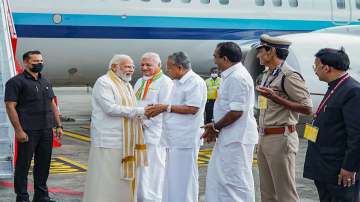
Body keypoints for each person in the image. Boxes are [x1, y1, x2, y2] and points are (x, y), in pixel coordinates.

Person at [83, 54, 149, 202]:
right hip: (108, 140)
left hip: (126, 140)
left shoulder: (126, 84)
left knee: (121, 181)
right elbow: (110, 109)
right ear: (114, 67)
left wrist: (143, 112)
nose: (131, 70)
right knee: (106, 180)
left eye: (132, 67)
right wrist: (141, 111)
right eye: (127, 67)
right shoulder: (104, 82)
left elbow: (131, 107)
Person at [255, 34, 313, 202]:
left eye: (260, 51)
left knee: (285, 193)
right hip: (265, 137)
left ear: (271, 51)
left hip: (281, 137)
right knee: (267, 193)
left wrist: (275, 98)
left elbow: (307, 108)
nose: (258, 55)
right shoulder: (268, 74)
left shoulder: (289, 76)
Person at [146, 51, 207, 202]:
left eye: (169, 67)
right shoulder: (175, 82)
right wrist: (160, 107)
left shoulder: (195, 82)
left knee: (185, 178)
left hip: (186, 139)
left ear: (180, 67)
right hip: (174, 139)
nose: (167, 70)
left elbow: (193, 108)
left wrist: (165, 107)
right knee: (172, 177)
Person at [201, 42, 258, 202]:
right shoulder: (231, 76)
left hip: (237, 137)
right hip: (231, 136)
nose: (214, 60)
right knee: (222, 178)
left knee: (235, 180)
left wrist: (215, 126)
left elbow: (236, 112)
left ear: (225, 58)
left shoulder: (237, 78)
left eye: (215, 56)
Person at [5, 50, 63, 202]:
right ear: (26, 63)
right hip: (28, 131)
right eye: (35, 61)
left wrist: (58, 125)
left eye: (41, 61)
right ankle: (22, 197)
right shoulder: (15, 82)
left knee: (43, 165)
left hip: (46, 130)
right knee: (23, 166)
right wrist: (18, 130)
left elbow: (52, 104)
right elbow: (10, 106)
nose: (39, 64)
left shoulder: (45, 81)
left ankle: (41, 196)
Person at [303, 48, 360, 202]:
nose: (315, 71)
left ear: (326, 67)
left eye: (316, 66)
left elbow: (356, 134)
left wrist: (349, 167)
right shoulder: (335, 87)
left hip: (339, 170)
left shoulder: (352, 91)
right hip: (324, 166)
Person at [134, 52, 173, 202]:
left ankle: (155, 198)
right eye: (142, 65)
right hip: (138, 131)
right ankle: (140, 196)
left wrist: (145, 122)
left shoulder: (165, 82)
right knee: (141, 169)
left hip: (155, 133)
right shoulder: (139, 82)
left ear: (158, 65)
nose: (144, 68)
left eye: (148, 65)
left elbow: (164, 109)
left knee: (154, 168)